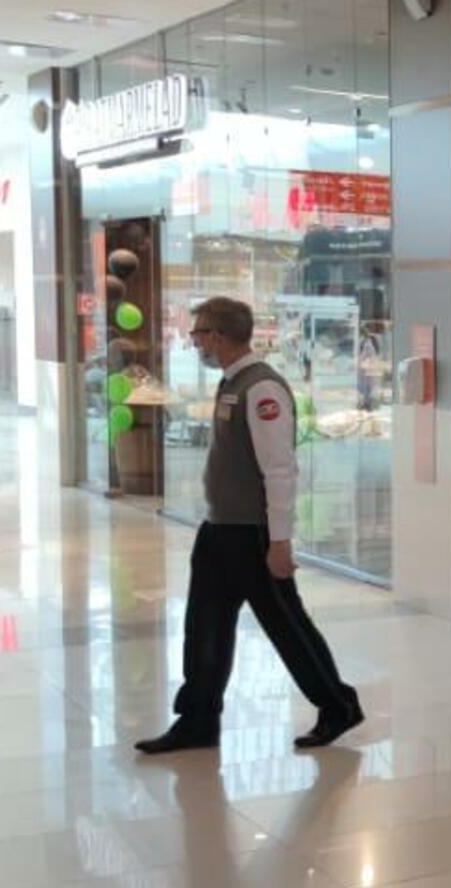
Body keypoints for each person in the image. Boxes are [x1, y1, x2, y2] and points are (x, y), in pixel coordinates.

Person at [135, 296, 364, 754]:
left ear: (219, 336)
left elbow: (279, 470)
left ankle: (338, 705)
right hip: (220, 529)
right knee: (204, 625)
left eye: (199, 333)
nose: (195, 342)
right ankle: (198, 719)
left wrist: (280, 541)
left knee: (287, 626)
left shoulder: (262, 390)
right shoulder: (233, 382)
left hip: (251, 535)